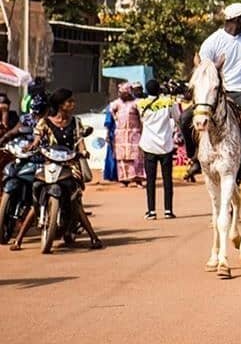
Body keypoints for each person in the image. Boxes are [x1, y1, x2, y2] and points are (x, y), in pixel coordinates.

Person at [181, 2, 241, 178]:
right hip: (216, 92)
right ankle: (194, 157)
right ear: (236, 20)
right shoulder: (211, 42)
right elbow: (204, 72)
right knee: (184, 118)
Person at [14, 88, 103, 250]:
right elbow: (37, 138)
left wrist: (83, 152)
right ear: (61, 105)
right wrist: (32, 146)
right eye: (70, 101)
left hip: (70, 165)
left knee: (74, 199)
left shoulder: (75, 122)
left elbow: (79, 140)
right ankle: (18, 239)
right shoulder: (45, 122)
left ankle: (93, 236)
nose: (73, 104)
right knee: (37, 189)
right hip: (49, 163)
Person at [138, 79, 182, 220]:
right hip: (166, 145)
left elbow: (141, 120)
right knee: (167, 180)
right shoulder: (169, 102)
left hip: (149, 145)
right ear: (159, 89)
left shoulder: (141, 104)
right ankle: (168, 210)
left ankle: (151, 211)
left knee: (150, 181)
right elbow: (178, 117)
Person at [109, 82, 145, 187]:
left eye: (124, 93)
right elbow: (112, 114)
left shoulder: (136, 103)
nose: (122, 95)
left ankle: (138, 179)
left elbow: (142, 118)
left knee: (136, 157)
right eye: (120, 93)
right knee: (122, 158)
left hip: (134, 134)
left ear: (129, 92)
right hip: (120, 134)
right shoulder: (116, 104)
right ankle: (124, 179)